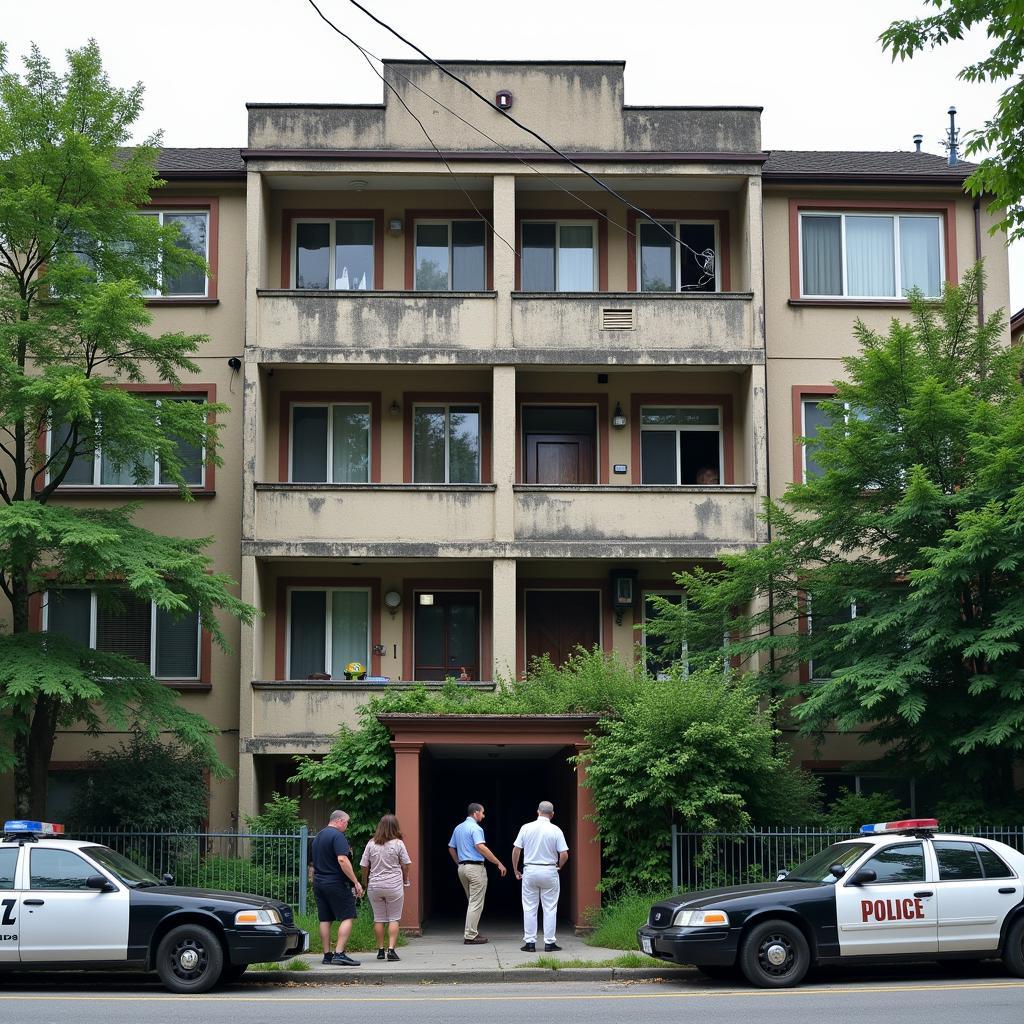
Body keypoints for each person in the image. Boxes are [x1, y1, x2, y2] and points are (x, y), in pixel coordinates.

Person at [512, 800, 569, 953]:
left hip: (530, 870)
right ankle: (549, 943)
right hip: (549, 870)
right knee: (550, 908)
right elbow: (564, 854)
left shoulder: (526, 828)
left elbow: (516, 850)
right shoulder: (556, 830)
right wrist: (559, 865)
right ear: (552, 814)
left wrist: (516, 869)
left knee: (529, 907)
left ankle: (530, 943)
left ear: (538, 812)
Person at [447, 802, 507, 944]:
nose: (483, 815)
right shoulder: (476, 828)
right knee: (476, 902)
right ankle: (470, 935)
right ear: (475, 813)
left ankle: (472, 930)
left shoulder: (458, 828)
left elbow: (451, 848)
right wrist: (498, 862)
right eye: (482, 812)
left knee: (472, 901)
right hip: (475, 868)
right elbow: (480, 846)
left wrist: (459, 863)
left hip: (462, 868)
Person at [311, 809, 364, 966]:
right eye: (346, 823)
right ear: (339, 821)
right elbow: (342, 860)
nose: (346, 826)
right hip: (335, 883)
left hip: (319, 883)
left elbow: (312, 863)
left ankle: (327, 955)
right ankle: (339, 953)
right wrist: (355, 881)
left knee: (325, 919)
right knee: (348, 916)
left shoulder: (318, 837)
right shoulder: (338, 836)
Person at [360, 813, 412, 962]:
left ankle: (380, 950)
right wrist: (405, 877)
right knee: (394, 919)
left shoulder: (371, 843)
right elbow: (406, 863)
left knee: (379, 918)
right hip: (393, 885)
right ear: (395, 827)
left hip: (375, 885)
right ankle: (391, 950)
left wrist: (366, 881)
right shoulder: (398, 843)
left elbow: (364, 865)